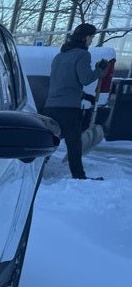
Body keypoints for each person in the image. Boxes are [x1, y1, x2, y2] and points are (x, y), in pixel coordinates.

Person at [43, 23, 109, 180]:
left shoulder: (59, 56)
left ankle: (37, 169)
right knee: (74, 144)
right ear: (86, 37)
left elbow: (64, 83)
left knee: (51, 140)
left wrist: (85, 96)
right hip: (69, 109)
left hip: (50, 106)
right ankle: (79, 177)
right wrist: (100, 71)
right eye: (91, 37)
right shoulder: (83, 55)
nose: (91, 40)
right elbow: (85, 79)